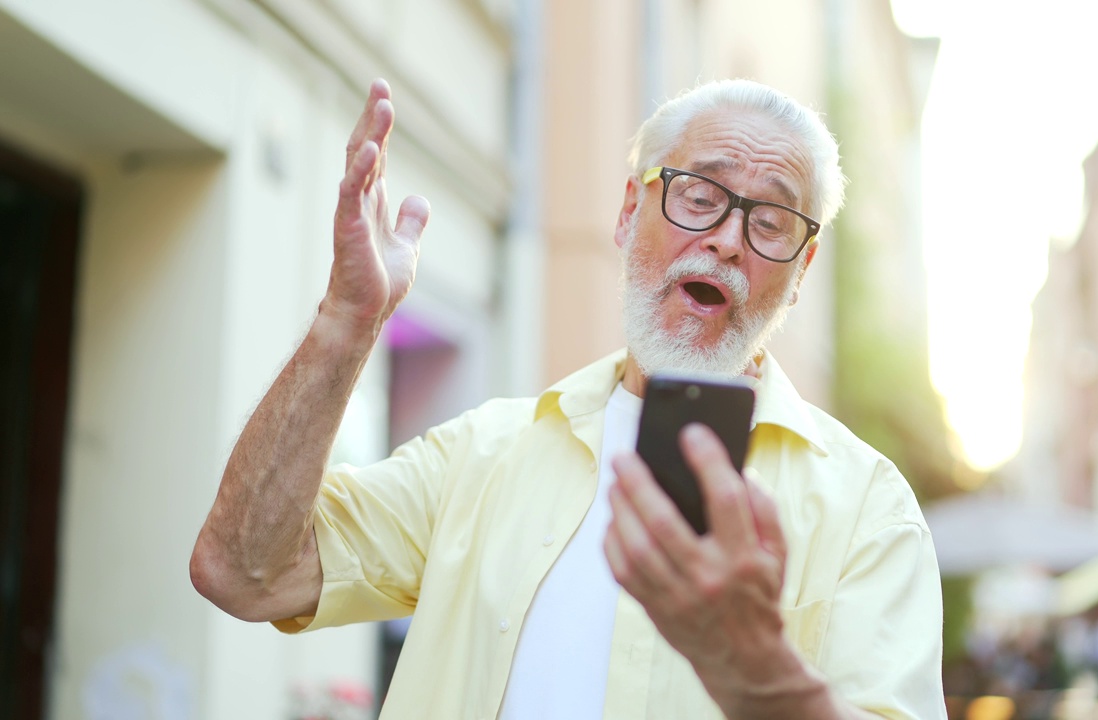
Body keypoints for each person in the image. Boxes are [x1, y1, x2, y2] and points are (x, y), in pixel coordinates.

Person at [190, 77, 945, 719]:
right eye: (699, 195)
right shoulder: (484, 455)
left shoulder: (869, 512)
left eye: (771, 221)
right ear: (626, 213)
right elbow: (242, 572)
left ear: (803, 269)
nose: (725, 239)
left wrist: (757, 667)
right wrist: (344, 326)